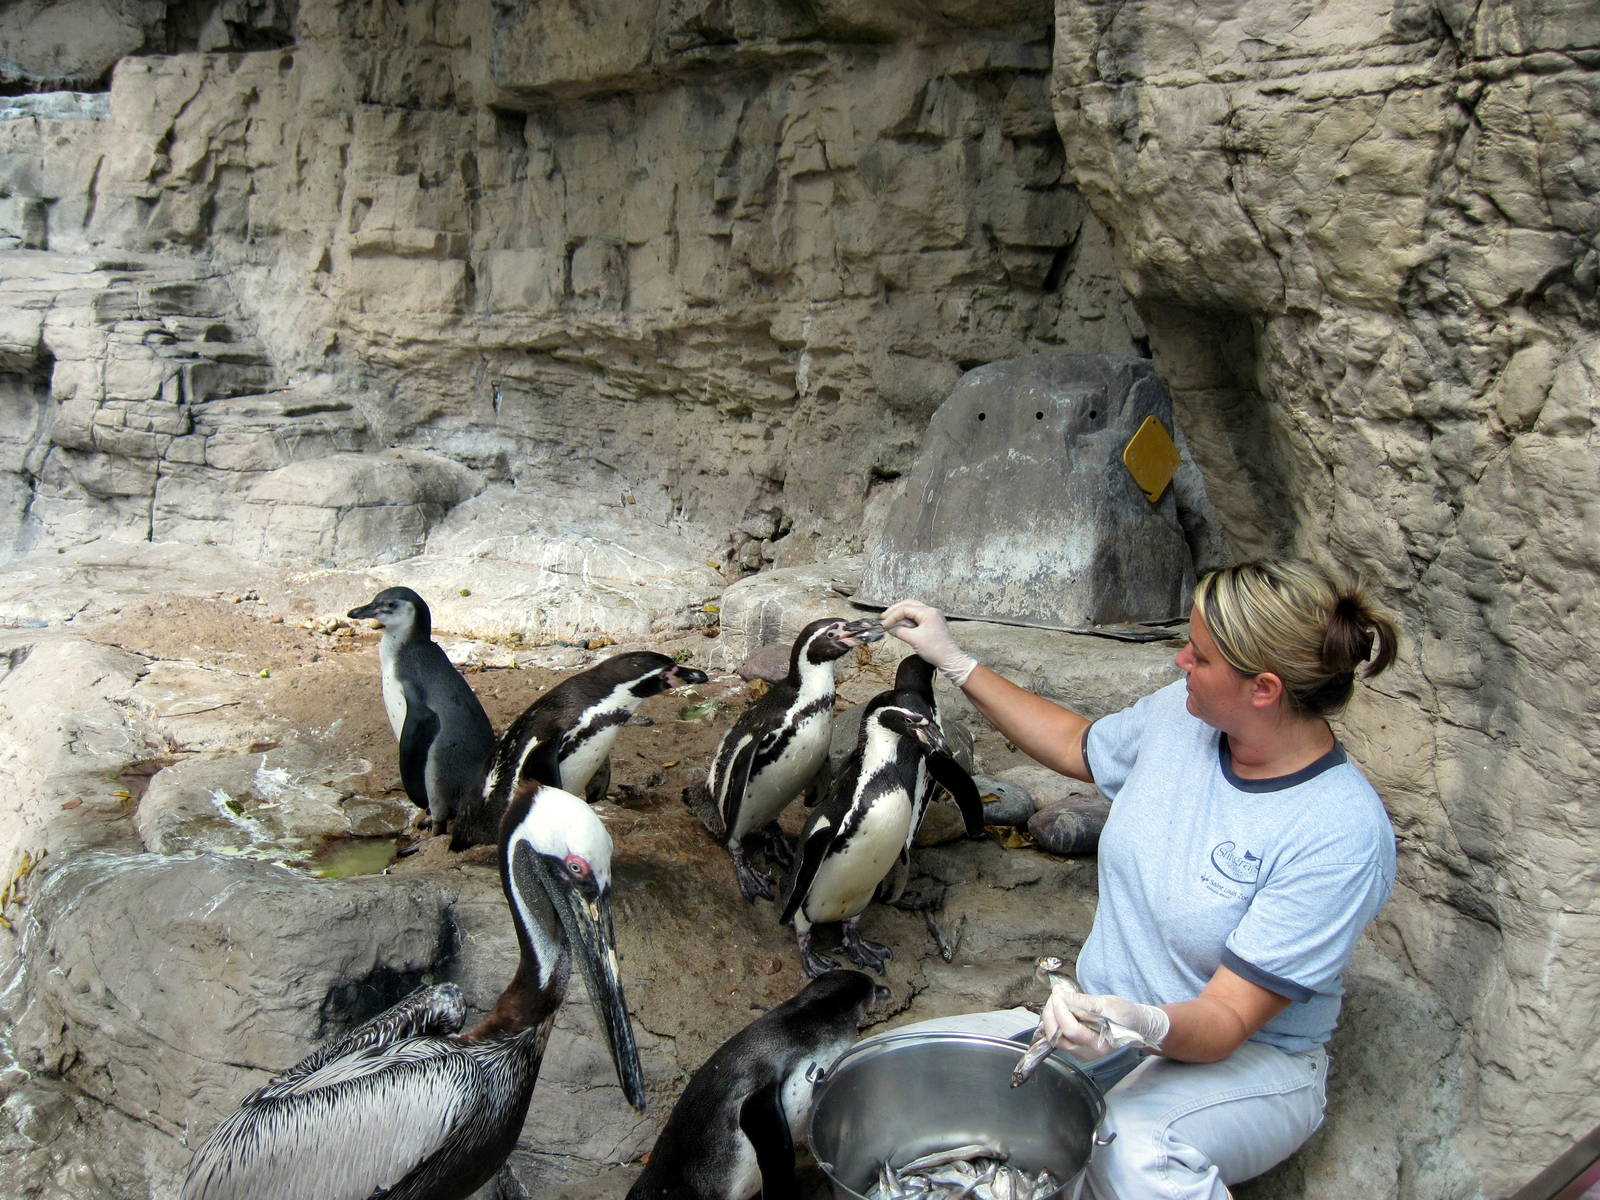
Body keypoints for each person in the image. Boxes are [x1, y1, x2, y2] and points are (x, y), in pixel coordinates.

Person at [880, 558, 1399, 1199]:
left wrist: (1140, 1025)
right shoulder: (1182, 719)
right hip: (1104, 1027)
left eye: (1200, 655)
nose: (1181, 660)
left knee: (1128, 1147)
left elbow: (1226, 1018)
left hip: (1246, 1065)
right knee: (903, 1069)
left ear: (1263, 689)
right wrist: (956, 661)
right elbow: (1076, 743)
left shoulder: (1338, 833)